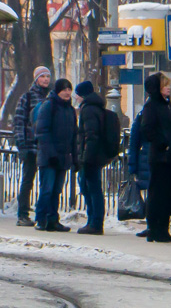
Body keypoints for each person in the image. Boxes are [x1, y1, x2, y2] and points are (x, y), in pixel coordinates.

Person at [140, 72, 171, 242]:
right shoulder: (152, 106)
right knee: (158, 193)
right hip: (160, 157)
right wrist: (163, 144)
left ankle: (164, 229)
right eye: (165, 85)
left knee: (168, 194)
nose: (168, 88)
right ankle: (155, 228)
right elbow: (147, 129)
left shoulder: (167, 104)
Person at [34, 78, 76, 232]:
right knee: (47, 189)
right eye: (64, 89)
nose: (67, 92)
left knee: (57, 190)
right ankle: (41, 218)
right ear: (58, 91)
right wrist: (51, 153)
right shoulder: (49, 106)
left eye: (69, 89)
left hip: (63, 157)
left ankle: (53, 219)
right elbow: (42, 131)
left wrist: (74, 157)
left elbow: (73, 135)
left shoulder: (70, 110)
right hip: (49, 157)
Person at [13, 66, 52, 227]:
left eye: (48, 77)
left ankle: (44, 213)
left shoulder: (50, 97)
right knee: (28, 180)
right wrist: (22, 145)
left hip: (45, 147)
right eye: (42, 76)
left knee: (46, 181)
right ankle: (23, 214)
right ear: (36, 79)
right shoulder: (27, 97)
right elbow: (19, 121)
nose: (45, 80)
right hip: (30, 146)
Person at [74, 81, 109, 235]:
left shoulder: (88, 110)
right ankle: (94, 221)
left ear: (82, 95)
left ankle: (94, 222)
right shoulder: (97, 107)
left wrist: (86, 157)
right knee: (92, 187)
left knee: (91, 188)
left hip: (90, 157)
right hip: (95, 155)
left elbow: (91, 135)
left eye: (77, 95)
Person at [126, 102, 153, 237]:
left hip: (153, 160)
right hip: (146, 161)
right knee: (151, 193)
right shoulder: (142, 116)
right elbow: (134, 143)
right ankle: (151, 224)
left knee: (155, 193)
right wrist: (132, 166)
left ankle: (155, 224)